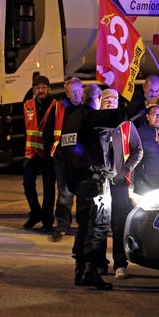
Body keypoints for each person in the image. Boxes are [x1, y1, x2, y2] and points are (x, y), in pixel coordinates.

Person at [57, 89, 118, 290]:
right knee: (98, 226)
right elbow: (117, 116)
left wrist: (71, 182)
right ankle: (90, 271)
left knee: (84, 226)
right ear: (98, 99)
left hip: (80, 183)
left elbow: (63, 154)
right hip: (94, 182)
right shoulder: (89, 118)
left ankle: (79, 270)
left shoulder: (71, 119)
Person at [103, 88, 143, 279]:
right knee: (99, 225)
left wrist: (125, 171)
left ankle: (120, 264)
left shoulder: (127, 125)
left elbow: (138, 150)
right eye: (106, 100)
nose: (110, 103)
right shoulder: (94, 124)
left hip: (119, 184)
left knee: (119, 225)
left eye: (113, 100)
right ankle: (99, 263)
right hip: (100, 184)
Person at [43, 77, 84, 242]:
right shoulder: (58, 107)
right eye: (72, 91)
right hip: (63, 160)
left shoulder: (87, 108)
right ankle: (62, 225)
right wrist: (52, 153)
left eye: (78, 90)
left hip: (81, 160)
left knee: (83, 193)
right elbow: (47, 132)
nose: (76, 94)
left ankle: (83, 225)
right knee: (64, 194)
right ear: (66, 93)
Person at [22, 75, 55, 232]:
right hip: (31, 153)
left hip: (49, 154)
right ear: (33, 90)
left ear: (48, 89)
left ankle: (47, 221)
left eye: (43, 87)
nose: (40, 90)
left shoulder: (56, 105)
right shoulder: (27, 105)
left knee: (49, 189)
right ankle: (35, 213)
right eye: (37, 88)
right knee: (28, 185)